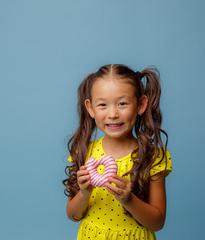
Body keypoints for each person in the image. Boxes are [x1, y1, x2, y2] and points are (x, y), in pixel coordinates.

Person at [63, 64, 172, 240]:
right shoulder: (85, 152)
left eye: (122, 103)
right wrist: (84, 193)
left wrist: (128, 199)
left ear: (141, 104)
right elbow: (72, 215)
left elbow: (157, 223)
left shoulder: (153, 157)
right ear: (90, 108)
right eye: (103, 105)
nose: (113, 114)